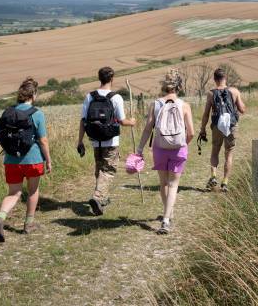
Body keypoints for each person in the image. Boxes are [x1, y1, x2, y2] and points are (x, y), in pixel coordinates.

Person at [0, 77, 51, 242]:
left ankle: (1, 218)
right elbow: (43, 140)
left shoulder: (8, 112)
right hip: (33, 159)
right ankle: (28, 225)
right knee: (32, 191)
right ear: (34, 95)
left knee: (14, 193)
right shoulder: (37, 113)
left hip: (11, 160)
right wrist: (49, 160)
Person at [137, 69, 194, 234]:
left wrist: (140, 149)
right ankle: (166, 219)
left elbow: (148, 128)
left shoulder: (155, 104)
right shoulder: (184, 105)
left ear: (164, 86)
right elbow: (190, 132)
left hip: (159, 147)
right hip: (178, 148)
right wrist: (183, 144)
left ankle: (167, 213)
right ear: (179, 86)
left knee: (163, 183)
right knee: (173, 184)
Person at [77, 66, 135, 216]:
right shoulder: (116, 98)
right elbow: (122, 121)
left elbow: (83, 120)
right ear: (112, 79)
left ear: (99, 78)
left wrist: (80, 141)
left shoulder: (90, 97)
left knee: (100, 169)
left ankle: (103, 197)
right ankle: (97, 197)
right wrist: (132, 122)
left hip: (95, 139)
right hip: (111, 140)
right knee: (108, 170)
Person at [199, 68, 246, 192]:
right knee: (229, 153)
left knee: (215, 151)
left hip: (217, 125)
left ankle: (213, 176)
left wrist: (202, 129)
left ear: (214, 79)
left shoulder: (210, 93)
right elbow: (242, 110)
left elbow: (206, 114)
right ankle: (224, 182)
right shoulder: (234, 91)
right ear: (225, 78)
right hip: (231, 125)